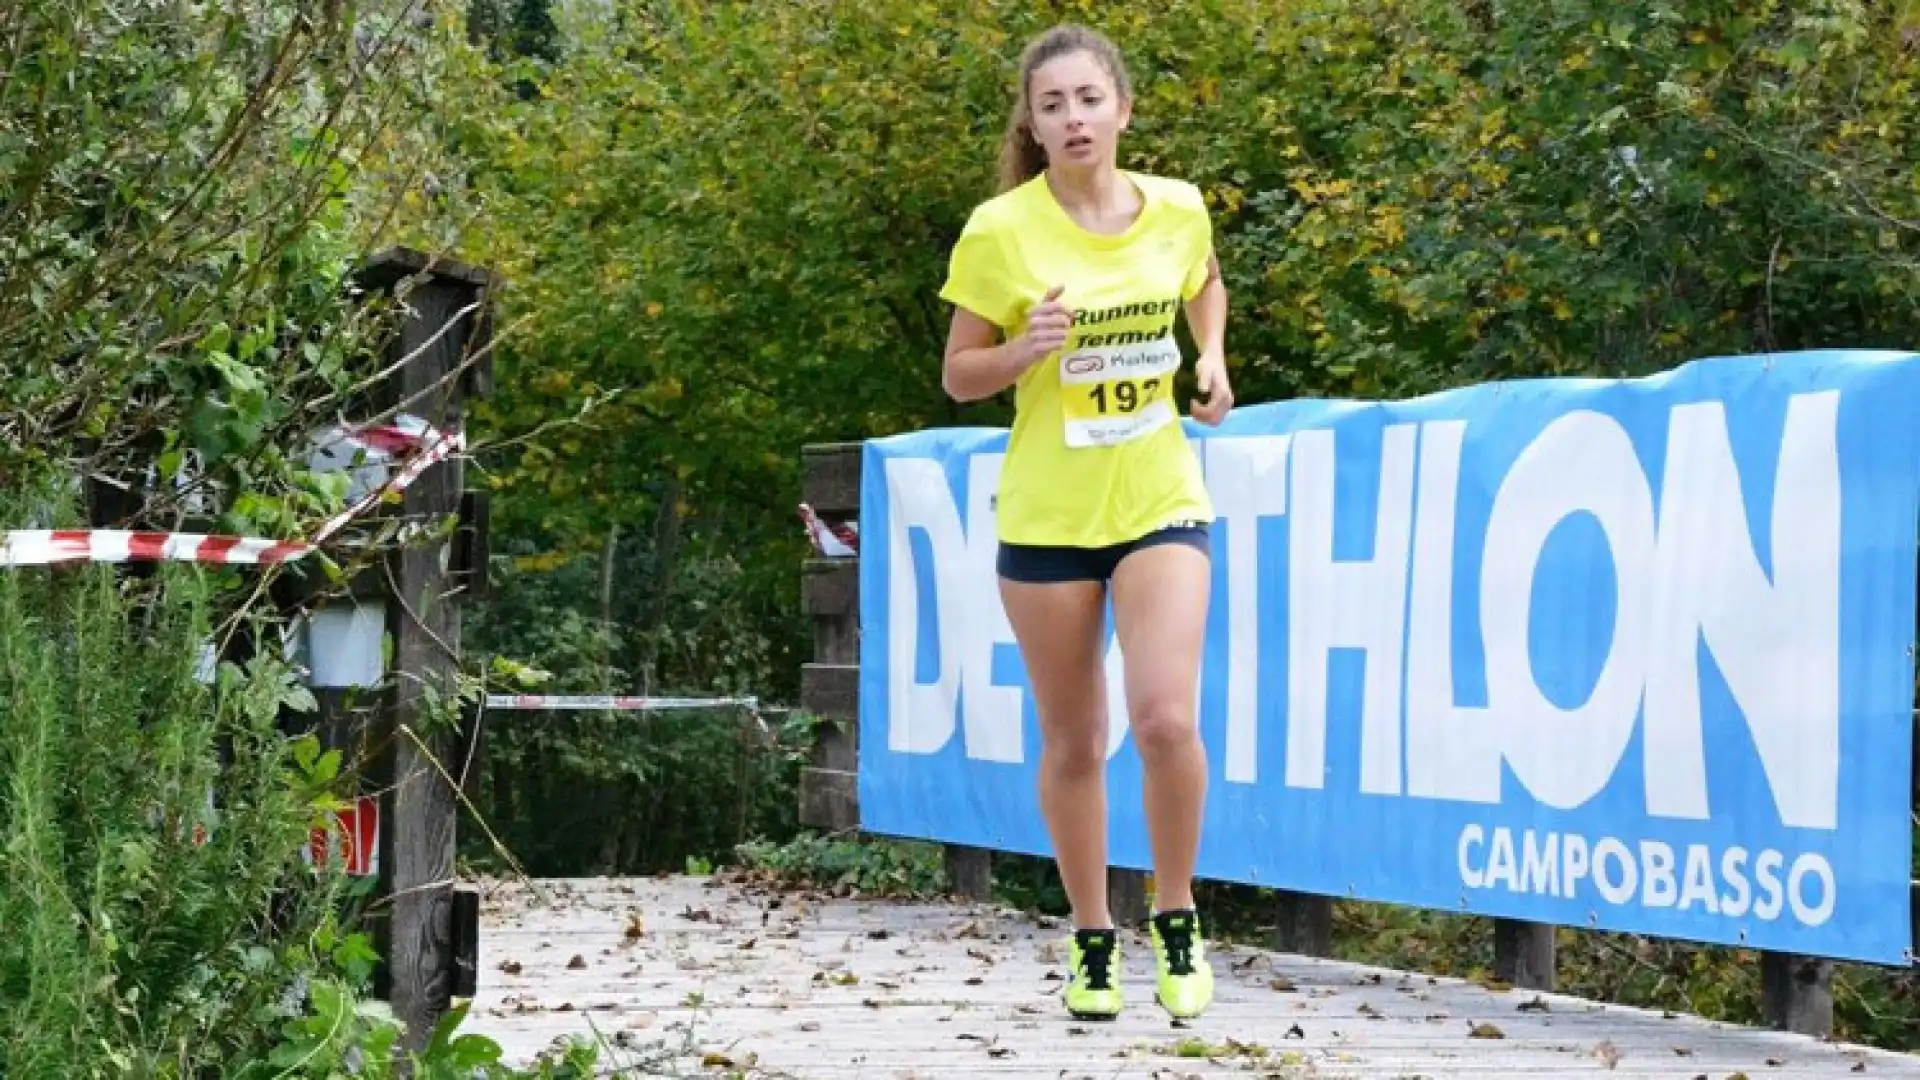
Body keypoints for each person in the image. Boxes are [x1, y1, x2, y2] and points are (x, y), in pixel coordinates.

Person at [936, 22, 1234, 1022]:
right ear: (1032, 120)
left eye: (1088, 100)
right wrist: (1027, 351)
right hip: (1050, 516)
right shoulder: (1000, 230)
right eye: (1052, 104)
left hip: (1158, 496)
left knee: (1165, 718)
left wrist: (1213, 358)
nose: (1073, 118)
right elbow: (959, 373)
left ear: (1123, 110)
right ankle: (1092, 935)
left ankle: (1179, 916)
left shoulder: (1178, 209)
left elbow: (1203, 285)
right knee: (1075, 738)